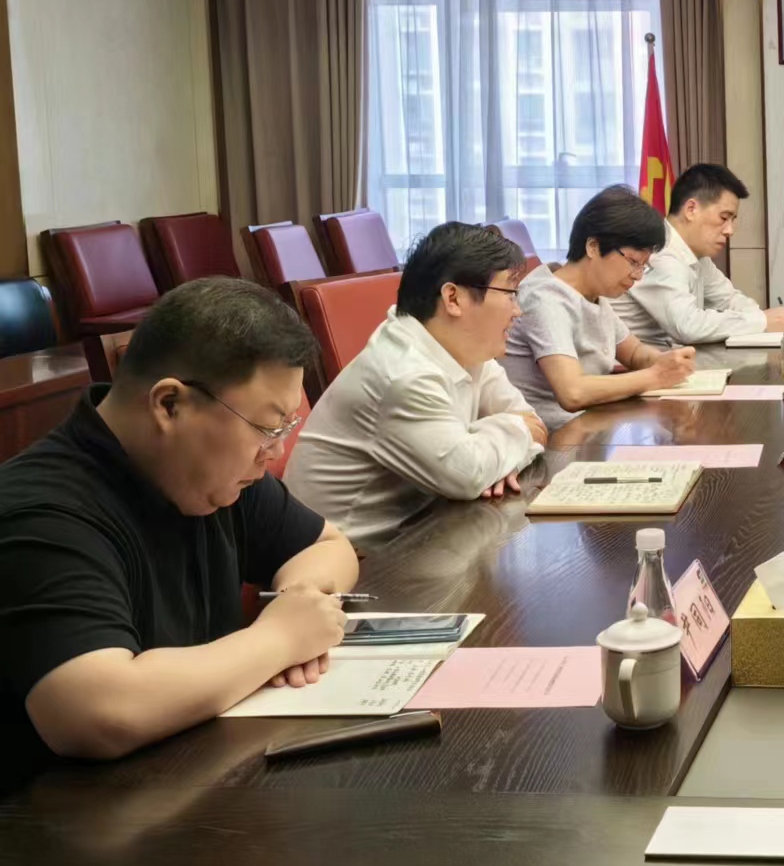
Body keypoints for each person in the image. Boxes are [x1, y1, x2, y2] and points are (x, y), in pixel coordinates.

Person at [0, 278, 360, 763]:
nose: (274, 452)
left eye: (284, 428)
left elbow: (327, 545)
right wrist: (279, 639)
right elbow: (96, 710)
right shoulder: (41, 512)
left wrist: (299, 602)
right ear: (170, 404)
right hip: (71, 803)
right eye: (265, 427)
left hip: (194, 769)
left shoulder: (213, 475)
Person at [286, 223, 548, 543]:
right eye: (510, 293)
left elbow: (534, 424)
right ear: (453, 298)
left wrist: (498, 459)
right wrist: (506, 441)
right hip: (346, 557)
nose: (518, 311)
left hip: (419, 533)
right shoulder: (403, 373)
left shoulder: (465, 346)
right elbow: (469, 473)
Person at [503, 185, 698, 428]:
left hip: (592, 425)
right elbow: (573, 392)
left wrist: (667, 362)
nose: (638, 276)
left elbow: (634, 353)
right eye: (633, 262)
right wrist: (655, 375)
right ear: (593, 247)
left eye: (644, 266)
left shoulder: (593, 296)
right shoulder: (545, 299)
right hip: (554, 438)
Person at [616, 163, 784, 348]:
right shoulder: (659, 251)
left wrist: (770, 319)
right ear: (691, 209)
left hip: (669, 358)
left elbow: (728, 298)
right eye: (723, 218)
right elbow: (687, 326)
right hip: (634, 363)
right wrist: (761, 321)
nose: (730, 230)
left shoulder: (696, 254)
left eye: (733, 220)